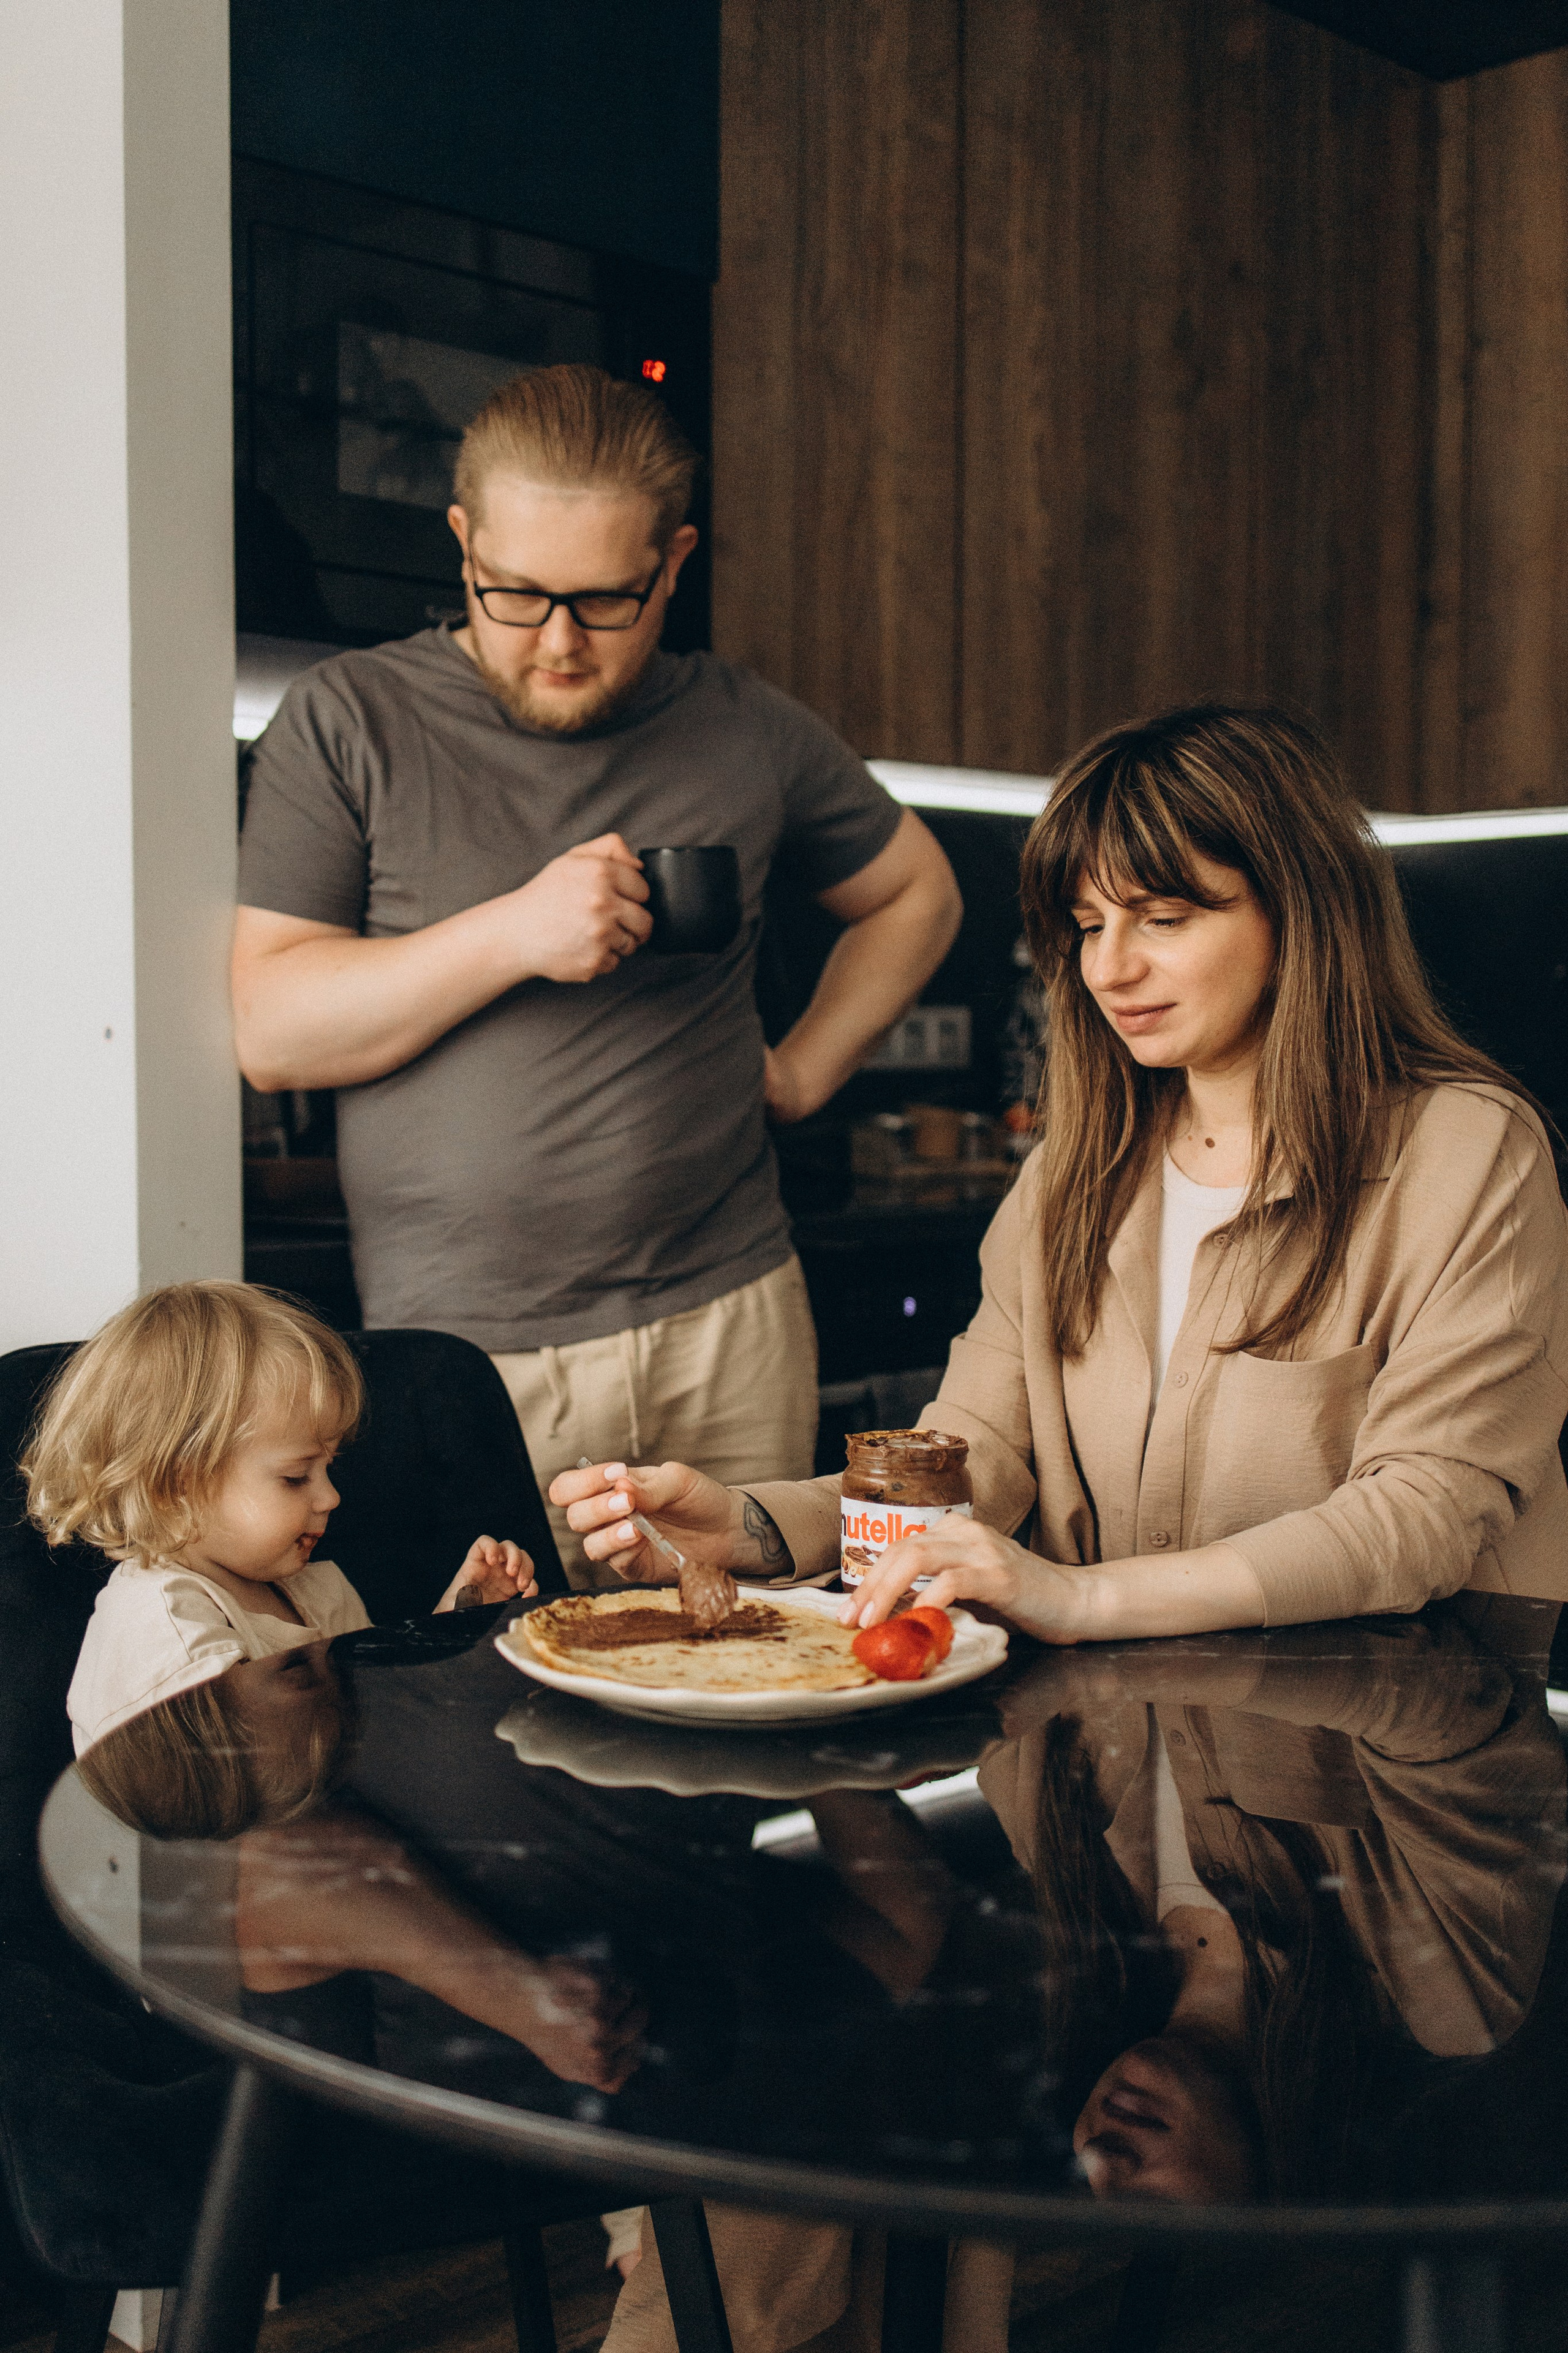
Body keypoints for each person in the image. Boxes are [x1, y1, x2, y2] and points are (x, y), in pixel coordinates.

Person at [554, 702, 1568, 1639]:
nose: (1109, 969)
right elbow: (971, 1457)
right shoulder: (1070, 1180)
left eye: (1162, 920)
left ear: (1302, 911)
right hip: (1131, 1771)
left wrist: (1080, 1598)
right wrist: (755, 1527)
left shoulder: (1469, 1154)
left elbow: (1428, 1510)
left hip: (1401, 1760)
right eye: (1088, 926)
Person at [231, 362, 963, 1577]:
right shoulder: (348, 719)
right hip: (464, 1352)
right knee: (495, 1729)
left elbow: (914, 892)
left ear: (672, 563)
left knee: (748, 1694)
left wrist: (799, 1072)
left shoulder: (746, 729)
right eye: (513, 594)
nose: (557, 643)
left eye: (606, 600)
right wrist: (517, 932)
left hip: (731, 1319)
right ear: (461, 541)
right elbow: (271, 1027)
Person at [24, 1280, 533, 1834]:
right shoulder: (166, 1629)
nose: (330, 1496)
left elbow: (379, 1719)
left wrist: (454, 1623)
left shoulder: (313, 1588)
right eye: (296, 1476)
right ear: (176, 1485)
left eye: (328, 1467)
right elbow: (240, 1812)